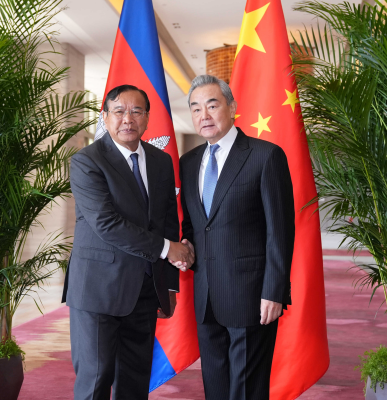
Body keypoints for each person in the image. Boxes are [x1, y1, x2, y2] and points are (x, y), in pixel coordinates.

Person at [61, 84, 194, 400]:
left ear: (147, 118)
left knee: (135, 382)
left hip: (144, 291)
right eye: (119, 111)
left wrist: (168, 286)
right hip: (98, 291)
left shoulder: (160, 161)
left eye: (136, 111)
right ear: (105, 117)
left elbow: (167, 222)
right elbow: (106, 224)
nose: (128, 119)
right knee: (96, 380)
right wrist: (167, 249)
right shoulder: (87, 161)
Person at [174, 75, 295, 400]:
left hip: (252, 296)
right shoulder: (188, 163)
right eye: (196, 108)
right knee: (214, 385)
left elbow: (280, 231)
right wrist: (186, 246)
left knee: (247, 389)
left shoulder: (265, 156)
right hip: (206, 296)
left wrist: (274, 290)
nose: (204, 115)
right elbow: (196, 225)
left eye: (212, 105)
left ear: (232, 107)